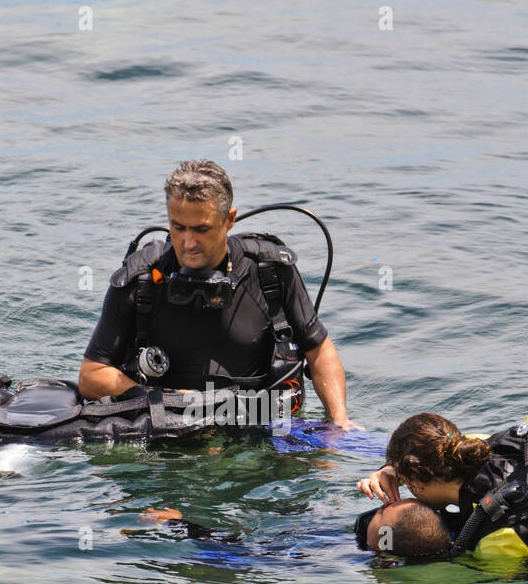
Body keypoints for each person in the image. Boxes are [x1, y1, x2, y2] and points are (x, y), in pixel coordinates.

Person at [78, 160, 359, 428]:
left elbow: (319, 349)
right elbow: (92, 376)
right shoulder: (141, 280)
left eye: (202, 229)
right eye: (178, 227)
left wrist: (339, 420)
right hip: (169, 433)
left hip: (257, 425)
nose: (188, 243)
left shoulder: (270, 272)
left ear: (229, 220)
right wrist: (173, 401)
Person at [354, 411, 528, 563]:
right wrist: (388, 471)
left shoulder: (497, 537)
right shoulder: (484, 445)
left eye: (408, 482)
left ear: (419, 477)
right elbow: (432, 456)